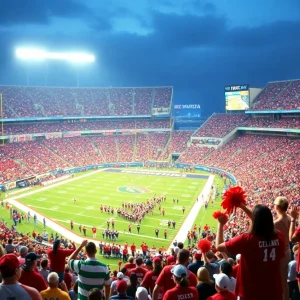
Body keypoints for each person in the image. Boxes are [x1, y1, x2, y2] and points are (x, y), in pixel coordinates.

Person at [216, 204, 285, 300]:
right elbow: (260, 222)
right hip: (274, 291)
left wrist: (220, 224)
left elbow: (219, 246)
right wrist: (242, 206)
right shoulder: (280, 237)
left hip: (250, 292)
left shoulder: (247, 240)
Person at [273, 196, 291, 300]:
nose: (274, 206)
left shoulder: (276, 223)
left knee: (281, 281)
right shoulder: (289, 218)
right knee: (284, 281)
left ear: (278, 207)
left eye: (275, 204)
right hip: (287, 250)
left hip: (280, 254)